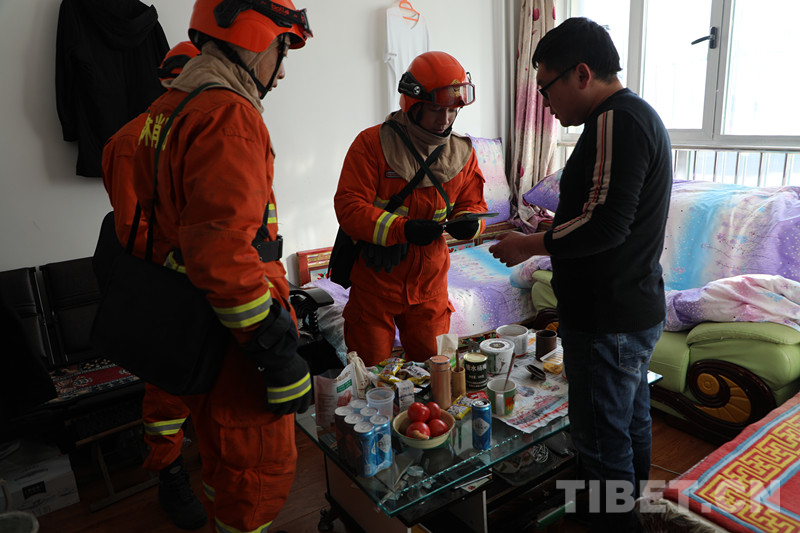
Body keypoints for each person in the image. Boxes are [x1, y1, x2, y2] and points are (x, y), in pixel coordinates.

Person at [101, 1, 314, 532]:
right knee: (256, 475)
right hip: (232, 335)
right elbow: (222, 254)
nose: (282, 71)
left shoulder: (166, 111)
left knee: (223, 463)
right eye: (282, 49)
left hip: (193, 319)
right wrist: (274, 349)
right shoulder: (228, 116)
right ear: (256, 37)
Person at [489, 17, 672, 532]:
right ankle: (631, 515)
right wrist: (557, 228)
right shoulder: (633, 117)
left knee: (601, 443)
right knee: (629, 424)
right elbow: (609, 216)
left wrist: (529, 244)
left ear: (582, 74)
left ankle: (616, 525)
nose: (545, 103)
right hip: (630, 307)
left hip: (607, 315)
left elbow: (607, 225)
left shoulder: (615, 120)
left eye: (546, 87)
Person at [103, 41, 207, 531]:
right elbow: (132, 229)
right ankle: (170, 476)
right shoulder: (131, 141)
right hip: (166, 286)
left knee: (212, 380)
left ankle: (211, 459)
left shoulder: (211, 133)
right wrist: (196, 256)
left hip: (213, 283)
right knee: (166, 394)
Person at [334, 51, 488, 367]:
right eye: (435, 110)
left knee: (437, 372)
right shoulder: (372, 144)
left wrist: (470, 222)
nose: (445, 120)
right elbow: (349, 207)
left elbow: (473, 204)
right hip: (376, 284)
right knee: (371, 376)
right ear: (413, 104)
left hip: (430, 287)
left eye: (452, 110)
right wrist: (400, 230)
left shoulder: (462, 153)